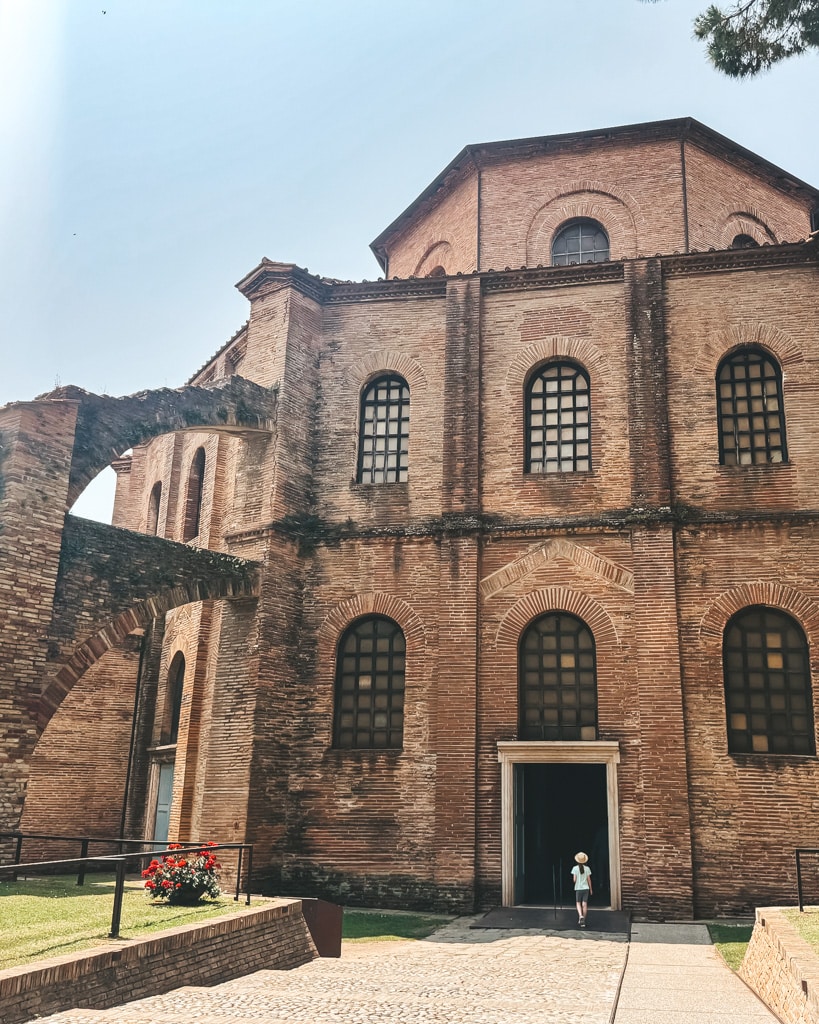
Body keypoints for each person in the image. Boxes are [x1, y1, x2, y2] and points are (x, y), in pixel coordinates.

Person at [571, 851, 592, 927]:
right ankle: (583, 921)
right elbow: (589, 879)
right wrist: (591, 889)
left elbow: (574, 880)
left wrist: (576, 882)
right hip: (586, 888)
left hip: (578, 888)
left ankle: (580, 916)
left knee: (578, 903)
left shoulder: (575, 868)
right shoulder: (587, 868)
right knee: (584, 904)